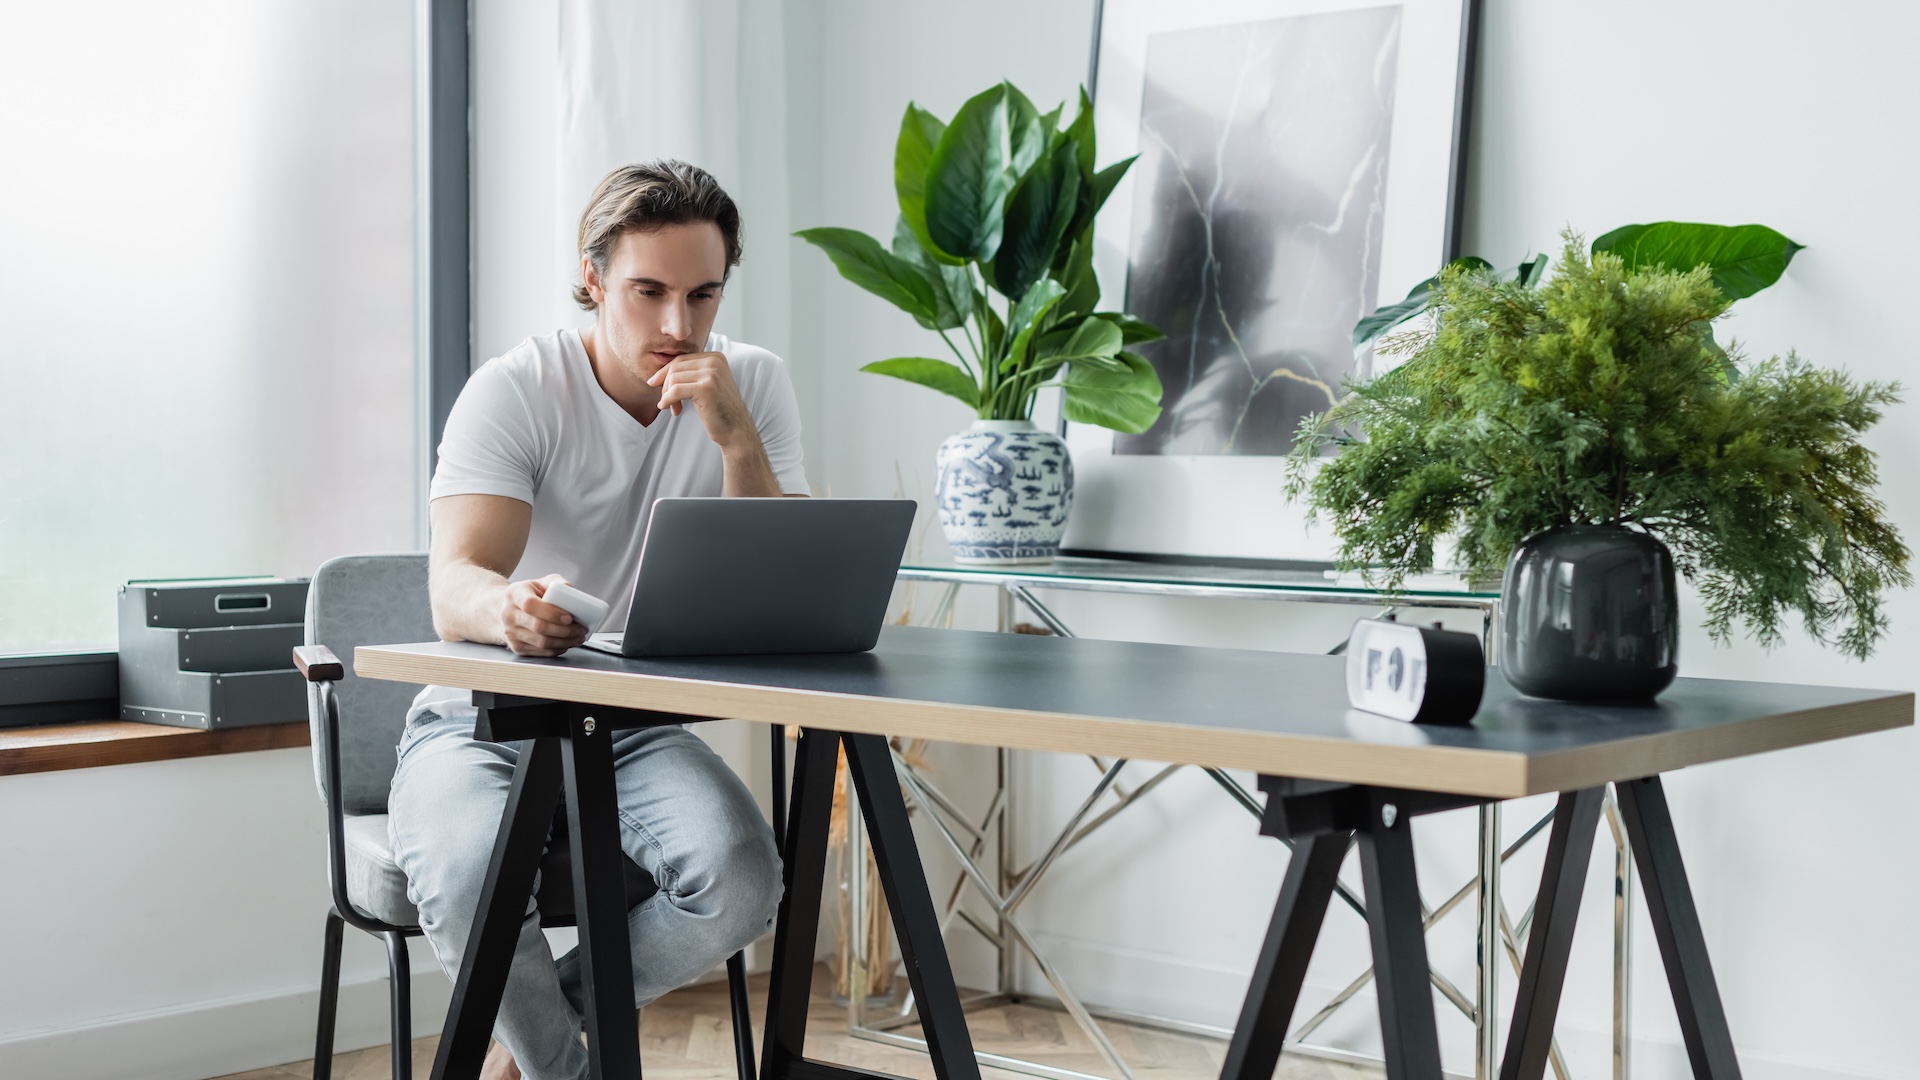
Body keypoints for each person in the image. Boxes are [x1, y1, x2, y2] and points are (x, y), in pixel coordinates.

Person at [387, 161, 804, 1080]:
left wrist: (736, 438)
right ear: (592, 278)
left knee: (740, 879)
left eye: (702, 295)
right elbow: (454, 584)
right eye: (647, 292)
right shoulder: (517, 390)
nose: (676, 326)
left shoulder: (752, 385)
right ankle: (563, 1068)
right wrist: (511, 615)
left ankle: (526, 1038)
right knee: (466, 879)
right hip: (480, 717)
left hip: (629, 725)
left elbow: (780, 583)